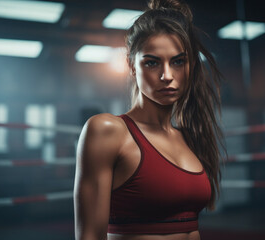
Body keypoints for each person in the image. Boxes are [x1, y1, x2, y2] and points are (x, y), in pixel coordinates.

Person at [73, 0, 227, 239]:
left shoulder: (189, 136)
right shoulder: (108, 130)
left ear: (191, 65)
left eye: (178, 61)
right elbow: (89, 236)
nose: (167, 76)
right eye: (152, 62)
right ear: (132, 66)